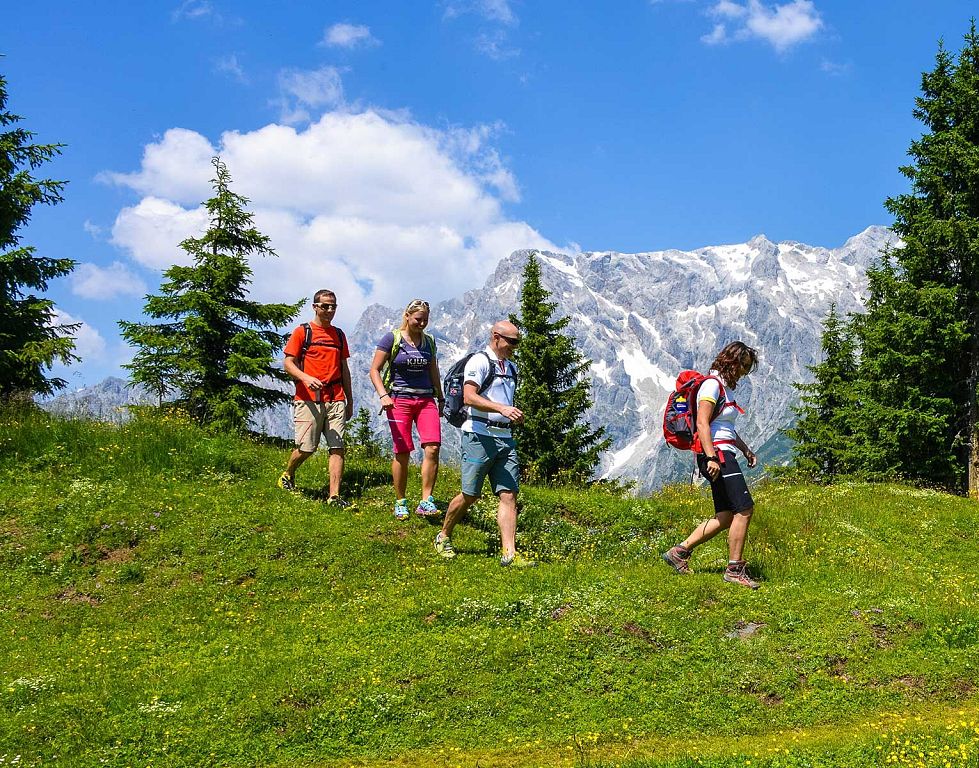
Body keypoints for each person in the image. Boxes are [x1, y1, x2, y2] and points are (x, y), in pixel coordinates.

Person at [434, 320, 534, 567]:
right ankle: (444, 535)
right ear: (496, 337)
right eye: (512, 342)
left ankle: (509, 554)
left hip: (505, 437)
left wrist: (510, 416)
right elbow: (469, 397)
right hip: (478, 435)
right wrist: (502, 408)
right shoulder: (479, 361)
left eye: (517, 342)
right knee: (470, 494)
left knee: (509, 495)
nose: (514, 347)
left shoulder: (510, 367)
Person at [662, 341, 761, 589]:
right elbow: (703, 424)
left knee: (726, 515)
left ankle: (679, 552)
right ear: (731, 361)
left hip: (724, 452)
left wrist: (745, 449)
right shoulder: (711, 385)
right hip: (716, 455)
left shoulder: (725, 389)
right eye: (743, 366)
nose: (744, 373)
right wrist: (713, 457)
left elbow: (726, 428)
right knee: (744, 508)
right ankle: (734, 569)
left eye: (747, 368)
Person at [368, 299, 444, 520]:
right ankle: (401, 501)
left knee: (432, 448)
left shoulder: (429, 342)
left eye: (425, 320)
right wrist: (383, 395)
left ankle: (426, 500)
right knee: (402, 451)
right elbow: (375, 370)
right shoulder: (392, 338)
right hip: (399, 400)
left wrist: (440, 396)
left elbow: (433, 370)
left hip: (426, 400)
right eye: (418, 319)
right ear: (408, 316)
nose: (422, 324)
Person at [278, 289, 353, 507]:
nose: (329, 310)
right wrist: (305, 377)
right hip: (307, 398)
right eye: (325, 306)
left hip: (335, 397)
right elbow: (288, 363)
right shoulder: (303, 332)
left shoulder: (339, 335)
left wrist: (349, 400)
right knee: (306, 448)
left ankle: (334, 496)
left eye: (333, 306)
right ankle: (288, 473)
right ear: (315, 307)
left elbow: (344, 369)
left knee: (337, 447)